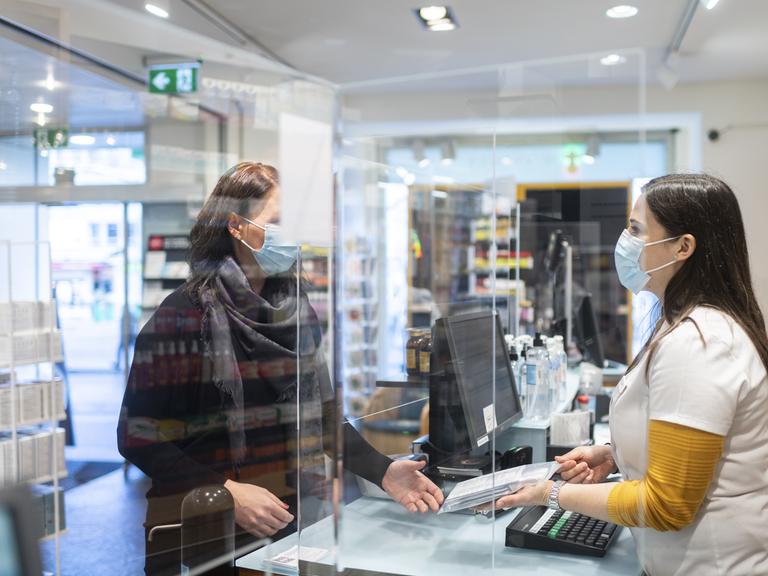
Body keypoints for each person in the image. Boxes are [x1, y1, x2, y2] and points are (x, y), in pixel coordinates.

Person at [118, 162, 443, 576]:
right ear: (237, 226)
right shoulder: (184, 316)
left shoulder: (294, 311)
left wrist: (384, 471)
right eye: (279, 221)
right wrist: (227, 491)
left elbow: (320, 416)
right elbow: (135, 436)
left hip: (285, 517)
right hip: (202, 526)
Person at [489, 174, 768, 575]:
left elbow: (667, 504)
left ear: (683, 247)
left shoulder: (700, 343)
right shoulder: (685, 326)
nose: (625, 240)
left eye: (637, 230)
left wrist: (552, 494)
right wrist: (613, 455)